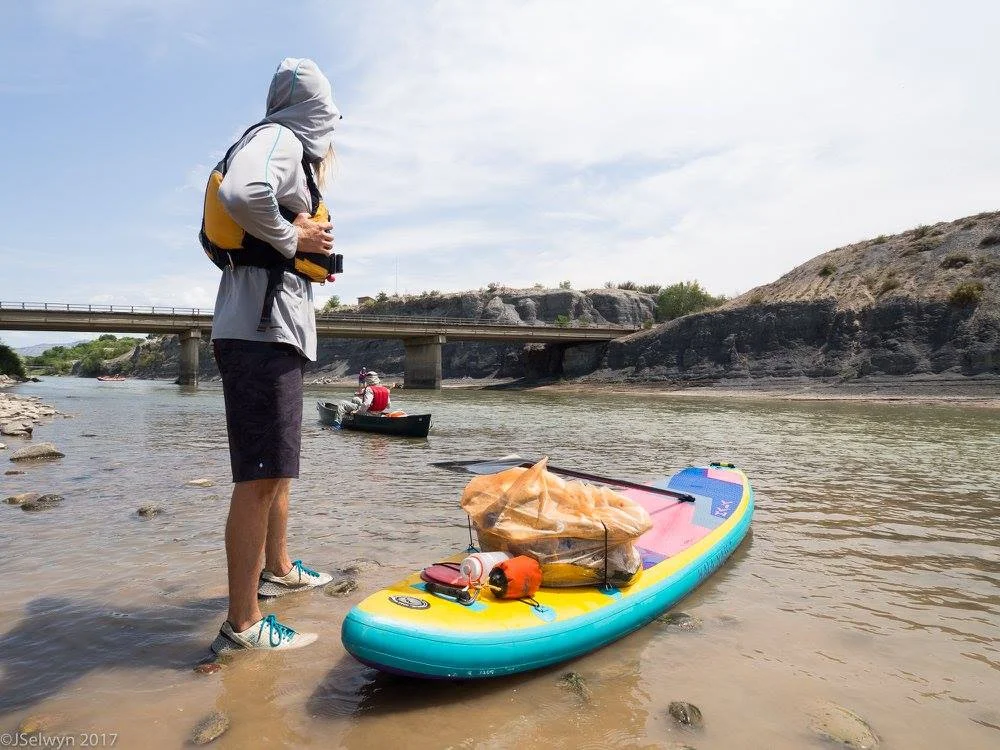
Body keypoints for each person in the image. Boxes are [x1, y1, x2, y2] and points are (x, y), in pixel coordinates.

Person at [206, 58, 341, 653]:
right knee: (259, 478)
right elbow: (242, 190)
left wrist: (296, 244)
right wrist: (293, 239)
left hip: (273, 331)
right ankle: (242, 626)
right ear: (314, 110)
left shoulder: (284, 143)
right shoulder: (279, 138)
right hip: (261, 335)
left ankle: (277, 570)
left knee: (277, 468)